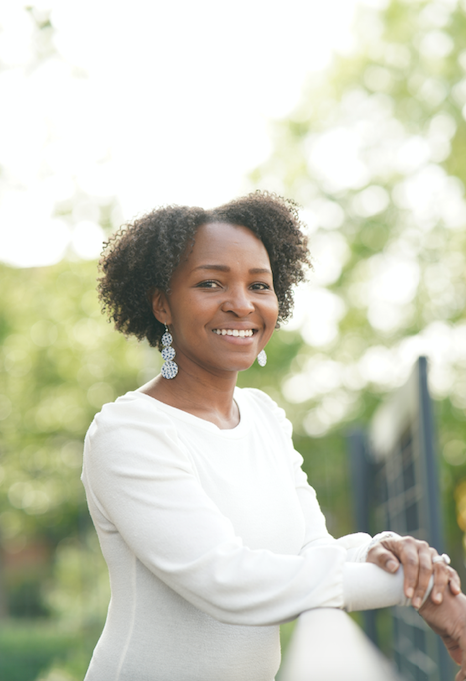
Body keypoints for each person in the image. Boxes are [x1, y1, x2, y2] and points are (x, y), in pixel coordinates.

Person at [82, 192, 464, 681]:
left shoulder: (263, 416)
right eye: (211, 283)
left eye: (259, 285)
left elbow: (311, 549)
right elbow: (227, 581)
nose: (241, 303)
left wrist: (384, 551)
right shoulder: (129, 431)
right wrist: (422, 592)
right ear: (161, 303)